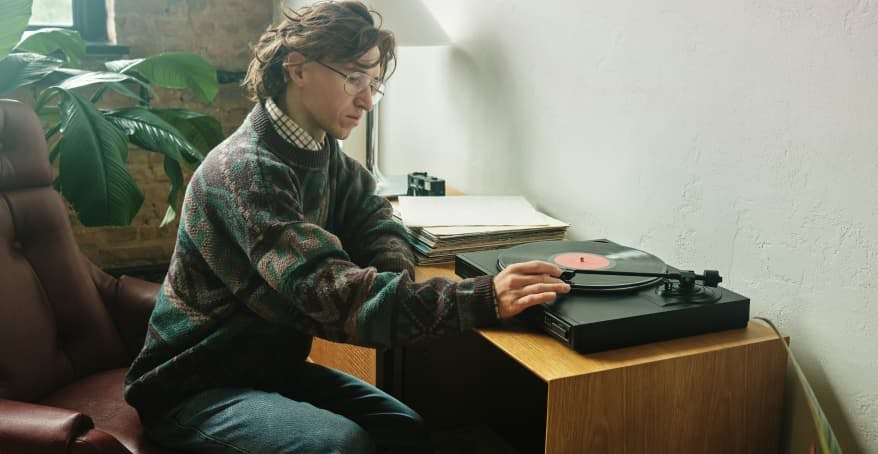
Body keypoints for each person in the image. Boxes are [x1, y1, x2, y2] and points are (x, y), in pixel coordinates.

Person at [123, 1, 571, 453]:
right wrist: (485, 297)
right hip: (194, 385)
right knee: (341, 444)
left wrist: (390, 278)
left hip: (268, 368)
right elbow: (333, 296)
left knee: (402, 426)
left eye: (374, 83)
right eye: (354, 78)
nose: (366, 99)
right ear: (297, 69)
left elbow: (378, 219)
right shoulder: (246, 173)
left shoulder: (323, 153)